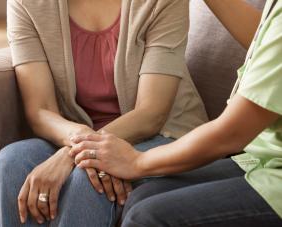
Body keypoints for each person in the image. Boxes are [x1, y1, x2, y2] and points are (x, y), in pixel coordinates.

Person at [0, 0, 207, 226]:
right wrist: (81, 141)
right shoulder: (27, 3)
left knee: (88, 178)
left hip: (161, 135)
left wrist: (74, 153)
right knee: (11, 163)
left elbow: (151, 113)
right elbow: (41, 110)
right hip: (72, 133)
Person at [71, 0, 282, 226]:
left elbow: (232, 134)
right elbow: (265, 45)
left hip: (272, 175)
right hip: (263, 157)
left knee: (146, 217)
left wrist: (138, 161)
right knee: (143, 194)